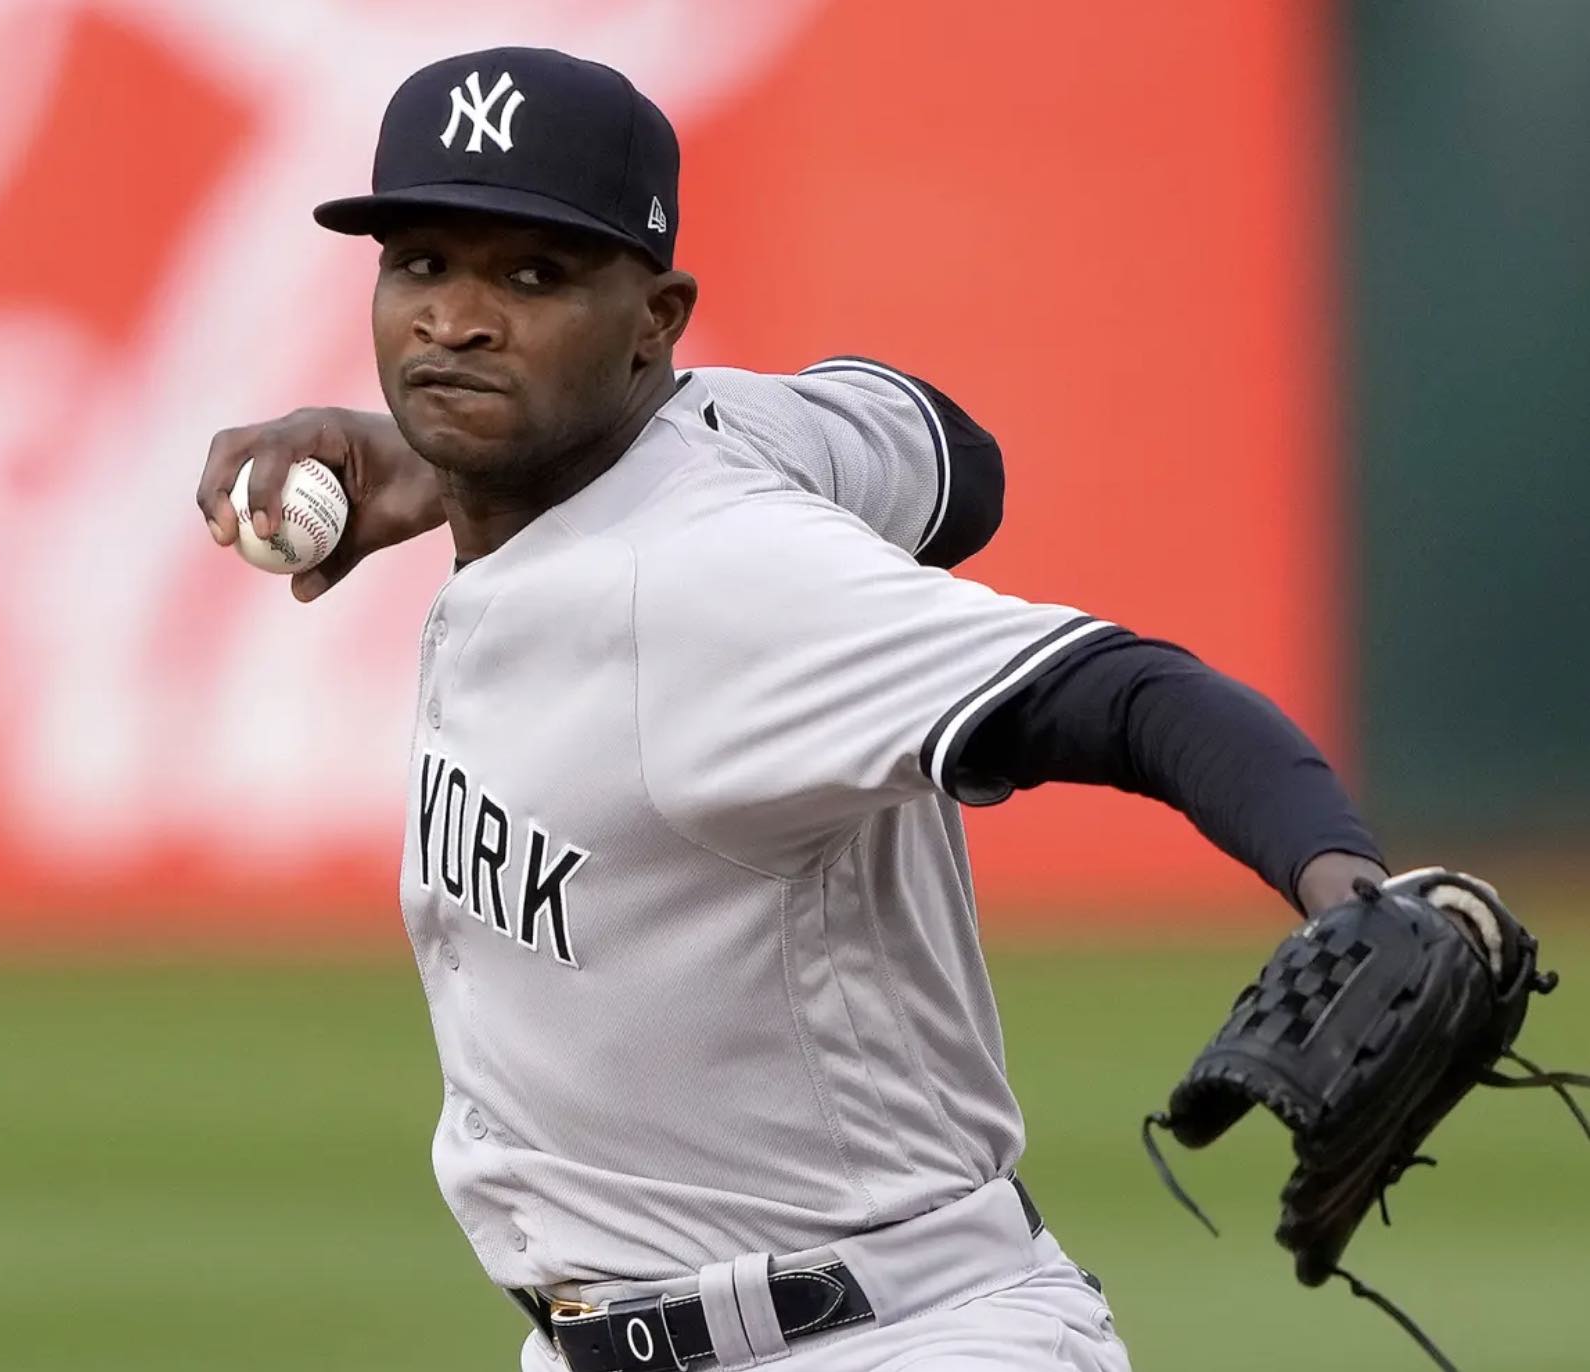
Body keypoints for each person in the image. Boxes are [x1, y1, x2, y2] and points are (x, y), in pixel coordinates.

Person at [198, 47, 1396, 1372]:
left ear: (656, 315)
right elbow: (954, 463)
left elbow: (1118, 690)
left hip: (885, 1339)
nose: (457, 319)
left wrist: (1348, 890)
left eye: (533, 276)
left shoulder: (722, 579)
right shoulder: (727, 436)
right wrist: (442, 465)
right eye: (421, 262)